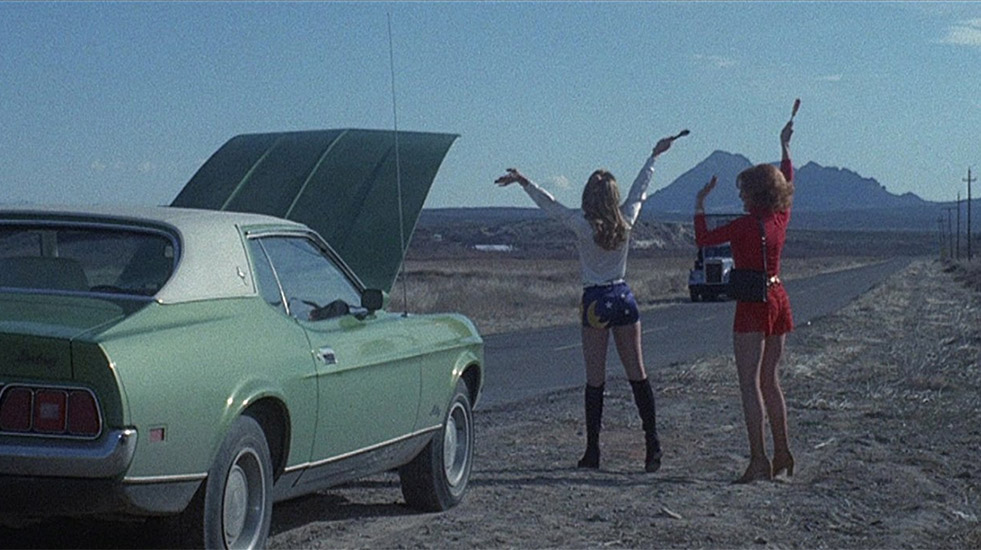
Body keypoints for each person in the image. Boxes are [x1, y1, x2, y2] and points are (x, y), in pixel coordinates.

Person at [494, 134, 677, 472]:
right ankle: (653, 445)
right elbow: (640, 190)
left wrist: (524, 182)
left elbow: (551, 205)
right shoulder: (627, 220)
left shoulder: (582, 226)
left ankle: (593, 451)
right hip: (623, 297)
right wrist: (654, 157)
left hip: (595, 300)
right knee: (637, 374)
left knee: (596, 380)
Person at [693, 118, 796, 483]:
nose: (740, 197)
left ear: (756, 194)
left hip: (752, 305)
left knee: (749, 384)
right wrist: (784, 146)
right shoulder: (780, 219)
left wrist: (700, 202)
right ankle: (783, 452)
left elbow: (703, 239)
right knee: (770, 380)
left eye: (744, 192)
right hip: (778, 297)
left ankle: (758, 460)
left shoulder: (741, 226)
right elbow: (788, 178)